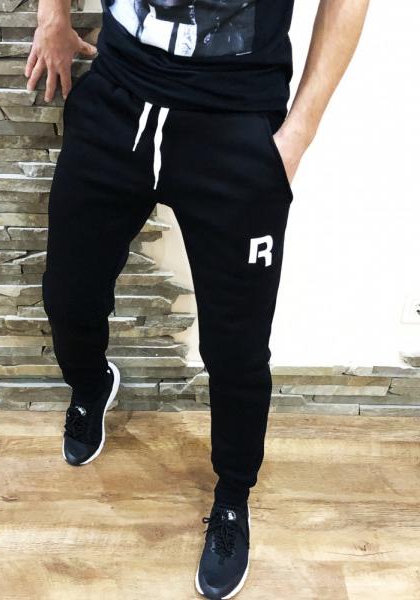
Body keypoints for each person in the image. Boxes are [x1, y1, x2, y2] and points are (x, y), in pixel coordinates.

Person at [26, 0, 370, 597]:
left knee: (237, 349)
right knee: (68, 294)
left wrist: (298, 135)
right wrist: (51, 17)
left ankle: (232, 496)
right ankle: (91, 384)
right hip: (117, 97)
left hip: (236, 119)